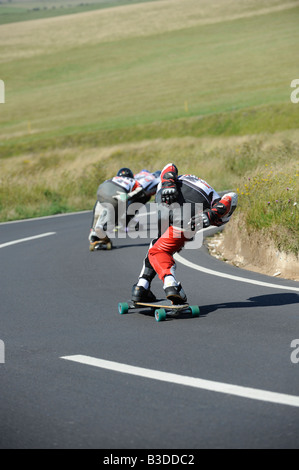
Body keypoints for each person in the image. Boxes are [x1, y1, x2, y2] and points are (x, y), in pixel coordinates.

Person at [131, 163, 238, 304]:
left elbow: (169, 167)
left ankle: (141, 287)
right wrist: (211, 215)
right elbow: (232, 197)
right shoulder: (215, 199)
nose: (213, 224)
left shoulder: (194, 181)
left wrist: (168, 184)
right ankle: (171, 285)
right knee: (160, 251)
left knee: (158, 245)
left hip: (164, 199)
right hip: (188, 209)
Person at [89, 167, 161, 250]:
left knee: (102, 207)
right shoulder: (135, 181)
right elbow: (140, 191)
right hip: (121, 193)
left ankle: (93, 231)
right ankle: (105, 227)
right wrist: (127, 197)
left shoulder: (119, 177)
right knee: (118, 210)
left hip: (102, 189)